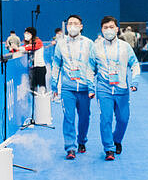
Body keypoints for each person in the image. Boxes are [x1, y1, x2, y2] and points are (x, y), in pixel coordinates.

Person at [89, 16, 140, 161]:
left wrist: (135, 81)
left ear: (117, 29)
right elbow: (90, 69)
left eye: (111, 27)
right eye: (106, 28)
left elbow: (135, 64)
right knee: (105, 118)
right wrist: (91, 88)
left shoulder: (125, 47)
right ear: (101, 30)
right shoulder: (96, 47)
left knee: (123, 119)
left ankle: (116, 139)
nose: (109, 30)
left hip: (122, 89)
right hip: (104, 89)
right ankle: (109, 148)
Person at [50, 15, 96, 159]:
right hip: (67, 88)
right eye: (70, 23)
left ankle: (82, 140)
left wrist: (92, 86)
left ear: (81, 26)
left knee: (84, 117)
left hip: (84, 88)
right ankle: (70, 147)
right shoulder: (61, 44)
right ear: (66, 26)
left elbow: (94, 65)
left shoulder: (89, 43)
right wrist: (53, 84)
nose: (73, 26)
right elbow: (56, 64)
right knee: (68, 117)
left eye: (75, 23)